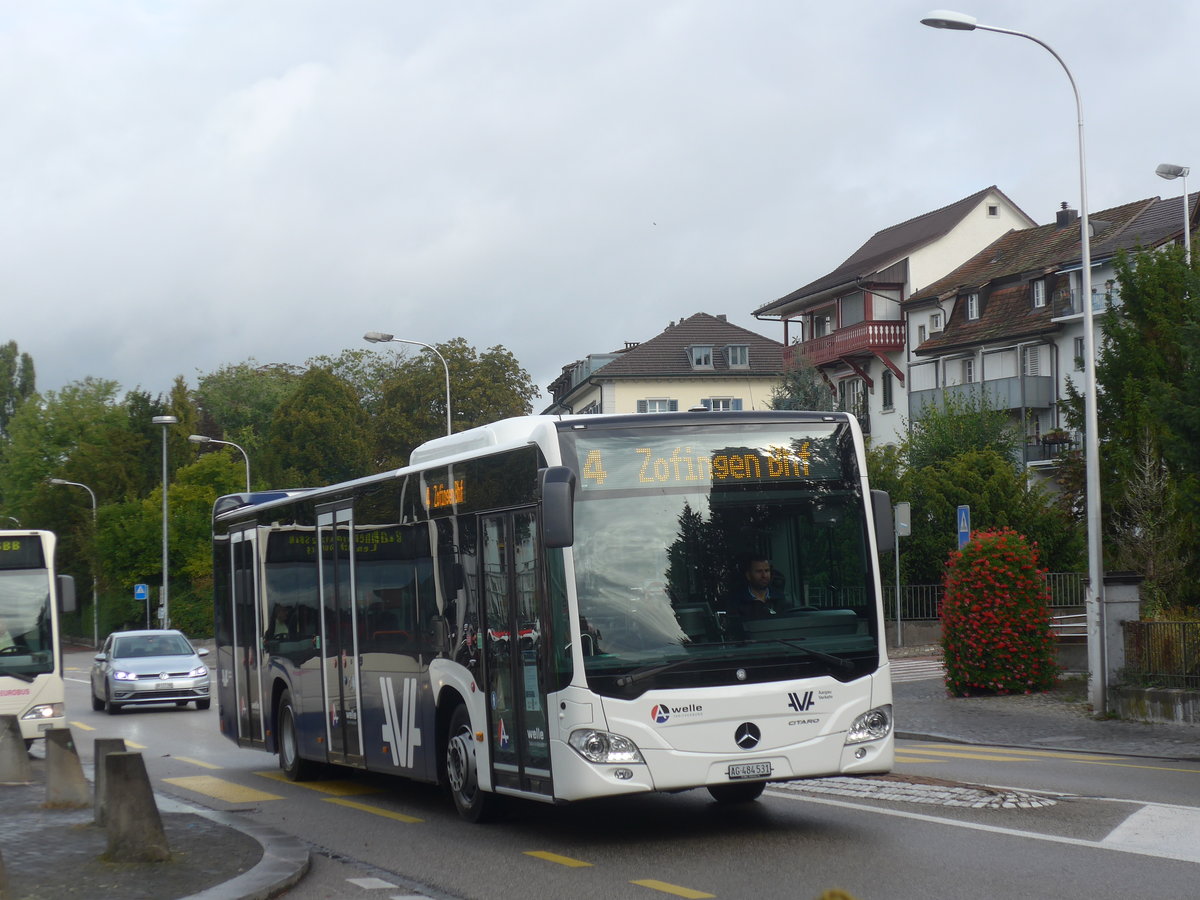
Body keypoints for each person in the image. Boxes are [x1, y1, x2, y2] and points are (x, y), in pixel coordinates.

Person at [722, 556, 783, 620]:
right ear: (748, 575)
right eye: (759, 571)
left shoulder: (781, 598)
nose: (764, 575)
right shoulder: (736, 602)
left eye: (767, 571)